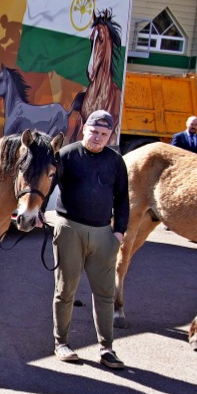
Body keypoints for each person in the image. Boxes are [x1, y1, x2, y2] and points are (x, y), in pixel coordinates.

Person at [51, 109, 129, 369]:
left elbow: (122, 198)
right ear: (84, 128)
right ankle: (61, 343)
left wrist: (118, 232)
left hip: (103, 235)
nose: (98, 138)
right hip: (70, 229)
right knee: (66, 291)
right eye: (94, 132)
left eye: (104, 134)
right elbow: (44, 185)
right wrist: (39, 214)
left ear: (110, 136)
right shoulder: (66, 155)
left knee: (106, 294)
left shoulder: (115, 161)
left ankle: (107, 349)